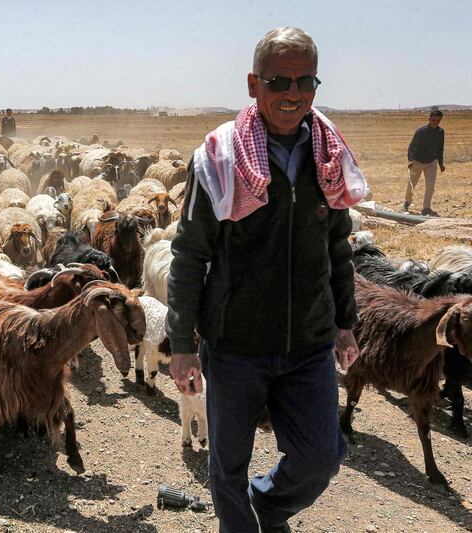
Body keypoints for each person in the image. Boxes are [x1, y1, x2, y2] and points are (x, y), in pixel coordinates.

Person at [166, 27, 368, 533]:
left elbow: (337, 247)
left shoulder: (329, 157)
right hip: (235, 344)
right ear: (254, 84)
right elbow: (189, 255)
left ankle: (271, 506)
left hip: (308, 341)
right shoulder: (218, 159)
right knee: (226, 467)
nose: (293, 94)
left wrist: (346, 321)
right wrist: (182, 343)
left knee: (321, 458)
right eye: (280, 81)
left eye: (306, 81)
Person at [403, 109, 445, 216]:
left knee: (430, 186)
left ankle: (426, 208)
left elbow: (440, 148)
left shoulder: (441, 132)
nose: (435, 122)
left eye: (438, 120)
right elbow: (411, 146)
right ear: (429, 119)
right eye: (433, 120)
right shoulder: (420, 131)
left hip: (431, 162)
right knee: (411, 184)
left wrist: (441, 163)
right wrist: (410, 160)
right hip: (417, 161)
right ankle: (407, 202)